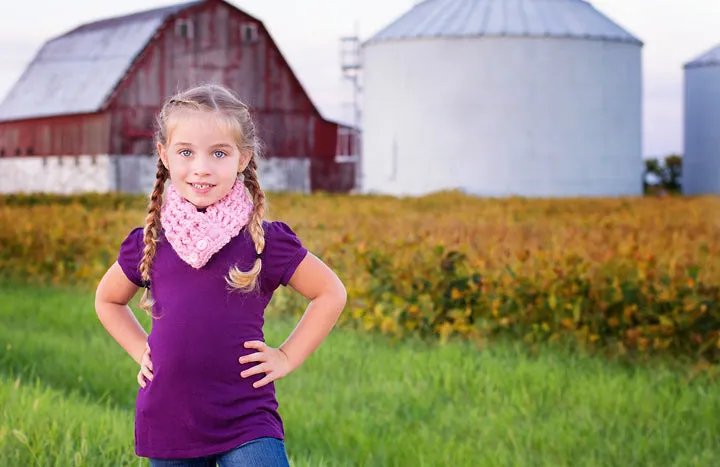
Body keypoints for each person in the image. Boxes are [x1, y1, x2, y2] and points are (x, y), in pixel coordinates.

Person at [94, 84, 347, 466]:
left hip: (247, 415)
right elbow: (108, 300)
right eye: (185, 152)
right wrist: (140, 349)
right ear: (163, 155)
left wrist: (286, 357)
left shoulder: (263, 240)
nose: (201, 168)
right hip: (169, 417)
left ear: (242, 158)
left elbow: (330, 292)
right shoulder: (152, 240)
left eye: (218, 153)